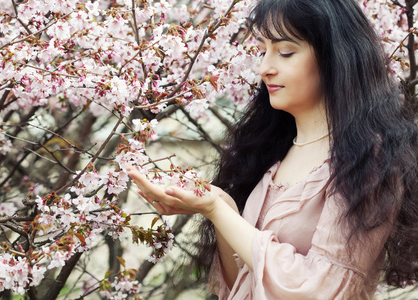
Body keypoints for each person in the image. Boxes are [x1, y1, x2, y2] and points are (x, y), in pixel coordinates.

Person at [128, 0, 418, 298]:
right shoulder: (272, 153)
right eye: (262, 51)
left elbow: (323, 289)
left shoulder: (369, 161)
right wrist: (222, 206)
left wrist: (216, 210)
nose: (265, 68)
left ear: (336, 57)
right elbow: (239, 286)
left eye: (286, 52)